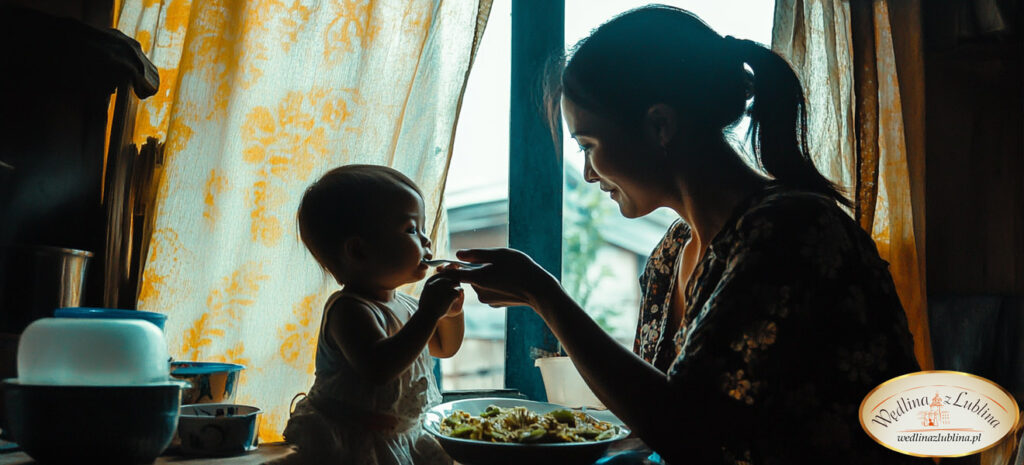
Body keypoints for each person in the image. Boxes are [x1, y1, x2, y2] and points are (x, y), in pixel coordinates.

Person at [440, 5, 923, 464]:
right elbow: (659, 421)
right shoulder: (671, 253)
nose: (587, 173)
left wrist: (544, 296)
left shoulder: (789, 231)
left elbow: (689, 431)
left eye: (588, 145)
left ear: (660, 125)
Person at [282, 164, 464, 465]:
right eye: (411, 229)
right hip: (353, 443)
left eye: (423, 228)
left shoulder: (407, 306)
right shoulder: (348, 310)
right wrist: (430, 313)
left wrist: (451, 314)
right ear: (359, 251)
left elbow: (445, 347)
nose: (426, 240)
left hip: (403, 436)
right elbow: (379, 367)